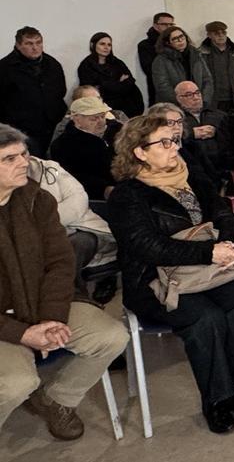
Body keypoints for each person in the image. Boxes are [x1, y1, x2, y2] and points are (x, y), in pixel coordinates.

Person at [107, 115, 234, 433]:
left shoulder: (190, 175)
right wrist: (210, 252)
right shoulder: (127, 195)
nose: (175, 148)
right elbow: (148, 247)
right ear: (139, 151)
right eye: (164, 142)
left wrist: (227, 243)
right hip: (155, 279)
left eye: (175, 140)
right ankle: (217, 399)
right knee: (206, 318)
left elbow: (222, 211)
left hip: (208, 268)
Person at [0, 123, 128, 441]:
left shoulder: (37, 199)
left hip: (43, 304)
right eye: (9, 158)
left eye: (24, 154)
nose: (24, 163)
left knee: (111, 336)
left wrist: (51, 317)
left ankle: (57, 399)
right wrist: (22, 333)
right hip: (4, 323)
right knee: (17, 383)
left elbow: (60, 263)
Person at [27, 156, 120, 303]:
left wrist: (47, 219)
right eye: (11, 157)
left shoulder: (49, 168)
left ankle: (75, 294)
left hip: (83, 229)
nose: (22, 160)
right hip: (39, 242)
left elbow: (79, 199)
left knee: (80, 242)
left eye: (23, 152)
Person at [0, 27, 67, 158]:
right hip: (21, 131)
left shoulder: (52, 64)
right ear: (18, 45)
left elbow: (60, 91)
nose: (35, 48)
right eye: (29, 43)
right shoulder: (4, 68)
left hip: (52, 127)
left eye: (38, 42)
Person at [49, 97, 120, 200]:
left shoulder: (118, 132)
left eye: (102, 116)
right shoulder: (63, 145)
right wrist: (103, 189)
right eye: (94, 119)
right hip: (93, 197)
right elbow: (70, 177)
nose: (101, 122)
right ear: (77, 120)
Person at [77, 31, 144, 118]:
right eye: (102, 44)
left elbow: (130, 81)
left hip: (128, 106)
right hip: (102, 109)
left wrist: (107, 85)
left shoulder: (117, 62)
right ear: (93, 45)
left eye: (109, 45)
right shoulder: (86, 66)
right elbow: (92, 90)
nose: (106, 47)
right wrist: (119, 83)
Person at [176, 80, 234, 176]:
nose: (196, 98)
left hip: (221, 168)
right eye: (189, 95)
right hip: (191, 171)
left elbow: (230, 144)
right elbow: (172, 141)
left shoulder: (219, 116)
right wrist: (190, 134)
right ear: (179, 98)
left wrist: (217, 132)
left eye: (197, 93)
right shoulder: (176, 120)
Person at [196, 21, 234, 115]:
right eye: (216, 33)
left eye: (223, 32)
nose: (221, 35)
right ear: (209, 35)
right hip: (213, 101)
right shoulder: (201, 53)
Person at [152, 26, 215, 106]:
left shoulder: (196, 55)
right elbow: (163, 87)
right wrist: (183, 102)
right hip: (174, 105)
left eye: (181, 36)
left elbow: (207, 79)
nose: (180, 40)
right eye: (175, 39)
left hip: (199, 103)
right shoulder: (161, 60)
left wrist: (204, 100)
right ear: (168, 43)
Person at [138, 12, 174, 104]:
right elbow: (149, 69)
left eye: (171, 24)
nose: (169, 27)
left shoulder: (176, 43)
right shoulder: (145, 45)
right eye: (164, 24)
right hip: (158, 90)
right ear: (155, 26)